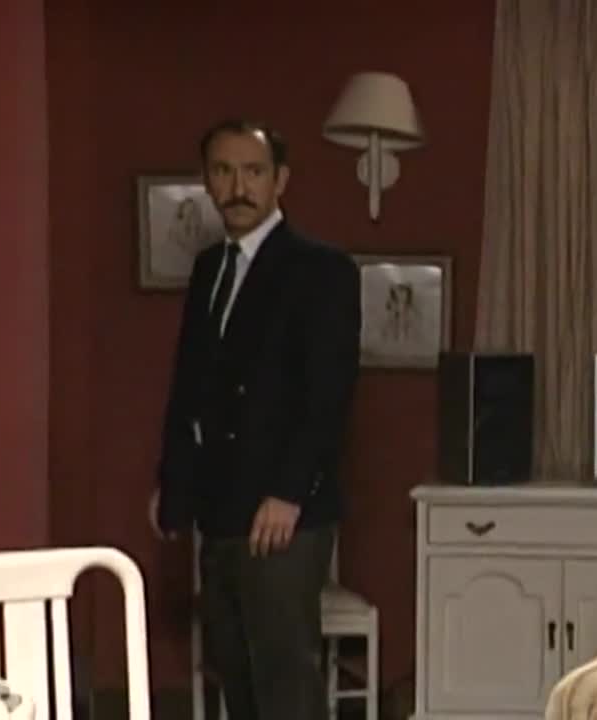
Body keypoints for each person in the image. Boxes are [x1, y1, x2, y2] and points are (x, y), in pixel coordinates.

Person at [148, 118, 361, 720]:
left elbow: (329, 394)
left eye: (253, 171)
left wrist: (289, 492)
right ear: (207, 181)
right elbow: (190, 386)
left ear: (280, 180)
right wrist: (173, 483)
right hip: (218, 506)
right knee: (235, 673)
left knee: (283, 680)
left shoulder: (321, 269)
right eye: (223, 171)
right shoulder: (209, 269)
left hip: (283, 512)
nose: (238, 186)